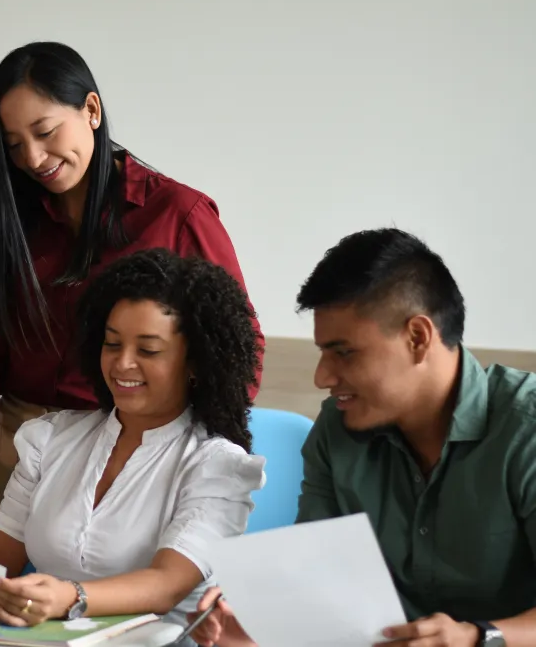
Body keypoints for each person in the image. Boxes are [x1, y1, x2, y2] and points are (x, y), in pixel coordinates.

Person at [0, 41, 265, 541]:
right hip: (18, 448)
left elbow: (241, 350)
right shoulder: (5, 225)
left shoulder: (176, 215)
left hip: (136, 453)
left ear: (91, 109)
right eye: (14, 144)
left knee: (122, 609)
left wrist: (177, 439)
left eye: (44, 132)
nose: (34, 158)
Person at [0, 249, 266, 633]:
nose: (122, 363)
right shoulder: (52, 438)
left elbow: (166, 585)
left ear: (196, 363)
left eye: (148, 350)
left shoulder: (218, 466)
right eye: (112, 344)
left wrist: (71, 596)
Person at [186, 228, 536, 647]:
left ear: (417, 338)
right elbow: (316, 585)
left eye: (344, 352)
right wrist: (255, 625)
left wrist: (478, 638)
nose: (322, 377)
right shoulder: (336, 430)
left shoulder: (525, 430)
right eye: (321, 352)